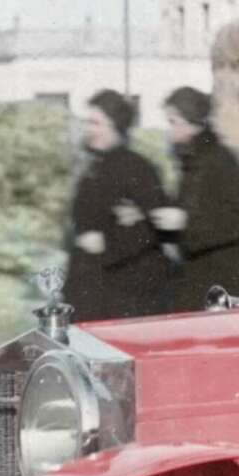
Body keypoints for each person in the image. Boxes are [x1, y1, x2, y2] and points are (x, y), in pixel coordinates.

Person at [156, 86, 239, 310]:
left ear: (190, 122)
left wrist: (185, 222)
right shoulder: (192, 161)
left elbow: (235, 223)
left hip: (230, 278)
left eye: (173, 121)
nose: (169, 130)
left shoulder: (220, 160)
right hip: (204, 275)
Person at [63, 89, 175, 321]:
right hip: (91, 286)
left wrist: (106, 245)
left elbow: (153, 228)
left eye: (96, 123)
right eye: (88, 122)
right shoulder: (93, 168)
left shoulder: (137, 168)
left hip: (124, 291)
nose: (89, 129)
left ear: (115, 126)